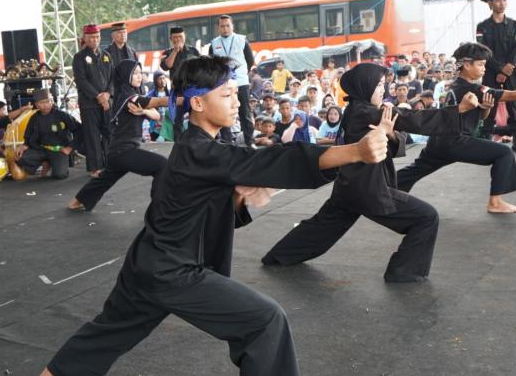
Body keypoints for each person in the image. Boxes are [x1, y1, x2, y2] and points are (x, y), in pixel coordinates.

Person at [40, 55, 389, 376]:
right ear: (197, 102)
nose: (237, 100)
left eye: (236, 93)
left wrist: (236, 199)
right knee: (265, 322)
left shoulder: (200, 148)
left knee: (99, 342)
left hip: (146, 265)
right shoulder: (198, 149)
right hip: (171, 271)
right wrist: (355, 151)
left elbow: (200, 203)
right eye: (226, 95)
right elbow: (272, 160)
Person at [262, 62, 477, 282]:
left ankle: (278, 256)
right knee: (426, 217)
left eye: (385, 85)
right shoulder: (364, 112)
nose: (384, 89)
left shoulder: (357, 109)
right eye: (379, 85)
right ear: (365, 86)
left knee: (322, 228)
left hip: (349, 186)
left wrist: (391, 134)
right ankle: (403, 273)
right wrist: (459, 110)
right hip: (367, 189)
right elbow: (412, 120)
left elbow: (394, 131)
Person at [397, 43, 516, 214]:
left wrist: (485, 107)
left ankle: (384, 190)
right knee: (504, 153)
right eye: (480, 64)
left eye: (485, 65)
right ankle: (495, 202)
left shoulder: (454, 85)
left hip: (438, 140)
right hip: (456, 141)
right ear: (466, 65)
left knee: (415, 170)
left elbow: (480, 117)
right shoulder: (474, 88)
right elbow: (514, 94)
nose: (484, 69)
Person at [67, 59, 169, 211]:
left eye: (140, 73)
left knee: (105, 180)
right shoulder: (126, 96)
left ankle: (76, 202)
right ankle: (157, 210)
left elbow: (156, 116)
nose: (139, 76)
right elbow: (159, 102)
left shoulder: (134, 94)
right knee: (163, 165)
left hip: (118, 151)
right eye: (134, 73)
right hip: (124, 151)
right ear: (125, 75)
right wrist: (183, 100)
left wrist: (144, 111)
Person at [476, 0, 516, 152]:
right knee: (489, 104)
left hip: (510, 70)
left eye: (504, 0)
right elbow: (483, 50)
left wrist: (507, 68)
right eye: (499, 1)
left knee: (513, 105)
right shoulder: (482, 27)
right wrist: (499, 69)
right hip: (490, 71)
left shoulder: (514, 25)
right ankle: (487, 141)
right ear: (490, 4)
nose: (502, 3)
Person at [72, 24, 113, 177]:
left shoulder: (106, 55)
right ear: (85, 39)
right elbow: (81, 81)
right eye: (91, 38)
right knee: (92, 135)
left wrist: (108, 94)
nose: (94, 40)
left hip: (107, 102)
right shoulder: (79, 57)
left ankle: (110, 164)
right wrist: (98, 97)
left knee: (109, 132)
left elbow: (112, 79)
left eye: (97, 37)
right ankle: (95, 168)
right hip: (89, 103)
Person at [209, 15, 256, 146]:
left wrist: (240, 75)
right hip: (223, 84)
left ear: (232, 26)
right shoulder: (214, 44)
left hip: (241, 82)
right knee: (224, 113)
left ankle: (249, 142)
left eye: (227, 25)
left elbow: (250, 60)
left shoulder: (242, 40)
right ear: (218, 28)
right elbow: (212, 64)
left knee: (245, 113)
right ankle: (227, 143)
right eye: (222, 26)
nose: (225, 28)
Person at [14, 89, 80, 180]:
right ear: (36, 105)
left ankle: (53, 163)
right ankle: (46, 162)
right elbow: (28, 135)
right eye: (42, 103)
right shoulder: (34, 117)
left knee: (59, 175)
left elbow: (79, 130)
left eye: (48, 101)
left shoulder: (62, 115)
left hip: (59, 150)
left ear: (52, 101)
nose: (46, 105)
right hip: (40, 149)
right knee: (20, 158)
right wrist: (24, 145)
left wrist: (69, 148)